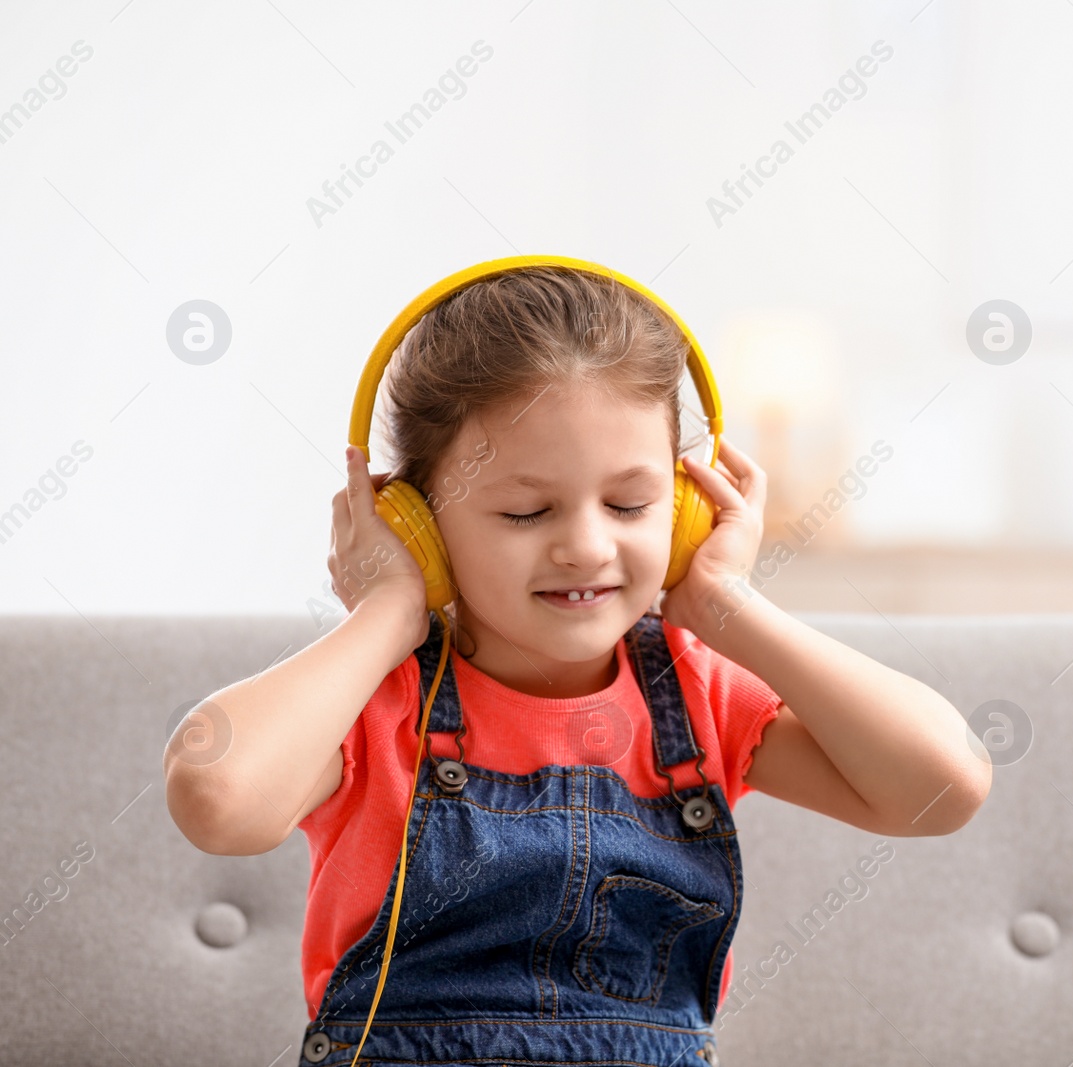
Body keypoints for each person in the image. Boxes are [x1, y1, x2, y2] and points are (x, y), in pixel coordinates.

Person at [164, 263, 992, 1066]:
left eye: (631, 504)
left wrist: (727, 607)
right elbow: (216, 795)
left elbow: (943, 783)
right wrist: (388, 610)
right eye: (527, 510)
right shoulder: (379, 700)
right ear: (414, 521)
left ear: (687, 511)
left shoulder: (699, 692)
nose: (588, 545)